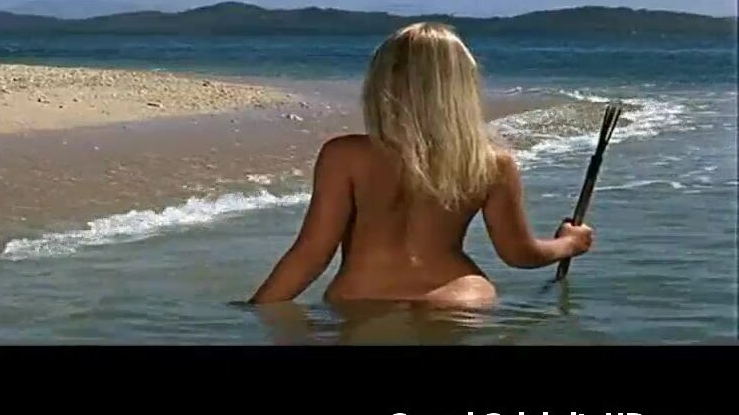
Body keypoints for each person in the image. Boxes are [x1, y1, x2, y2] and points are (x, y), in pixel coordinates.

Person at [249, 22, 594, 309]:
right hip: (460, 301)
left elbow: (310, 255)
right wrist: (569, 244)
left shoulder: (344, 155)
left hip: (362, 297)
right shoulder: (490, 162)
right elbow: (518, 253)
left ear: (381, 84)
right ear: (461, 89)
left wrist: (252, 313)